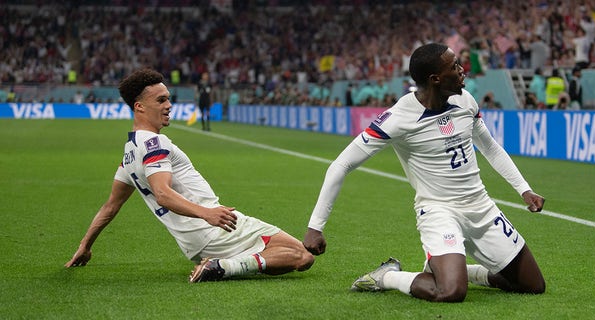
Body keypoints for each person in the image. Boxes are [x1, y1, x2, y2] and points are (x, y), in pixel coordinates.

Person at [303, 43, 546, 303]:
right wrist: (315, 226)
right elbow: (342, 164)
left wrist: (524, 188)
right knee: (450, 292)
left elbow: (491, 148)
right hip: (438, 211)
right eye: (454, 66)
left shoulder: (466, 101)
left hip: (481, 207)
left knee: (532, 285)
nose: (462, 70)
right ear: (435, 79)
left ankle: (462, 272)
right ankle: (387, 276)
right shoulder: (398, 118)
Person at [66, 68, 314, 282]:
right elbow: (162, 194)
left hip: (194, 243)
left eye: (168, 99)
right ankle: (223, 267)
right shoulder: (155, 143)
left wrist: (85, 246)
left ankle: (221, 264)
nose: (168, 105)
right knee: (301, 255)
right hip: (213, 226)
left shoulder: (130, 153)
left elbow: (111, 206)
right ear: (139, 107)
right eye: (161, 100)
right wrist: (208, 213)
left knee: (270, 258)